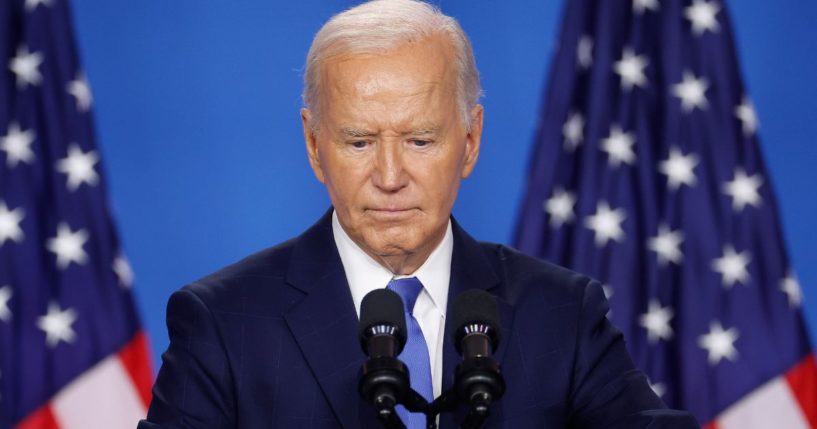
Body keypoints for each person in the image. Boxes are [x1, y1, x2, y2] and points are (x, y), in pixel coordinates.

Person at [138, 1, 698, 428]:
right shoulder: (225, 323)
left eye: (421, 140)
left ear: (471, 141)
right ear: (313, 146)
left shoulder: (562, 315)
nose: (388, 176)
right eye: (358, 142)